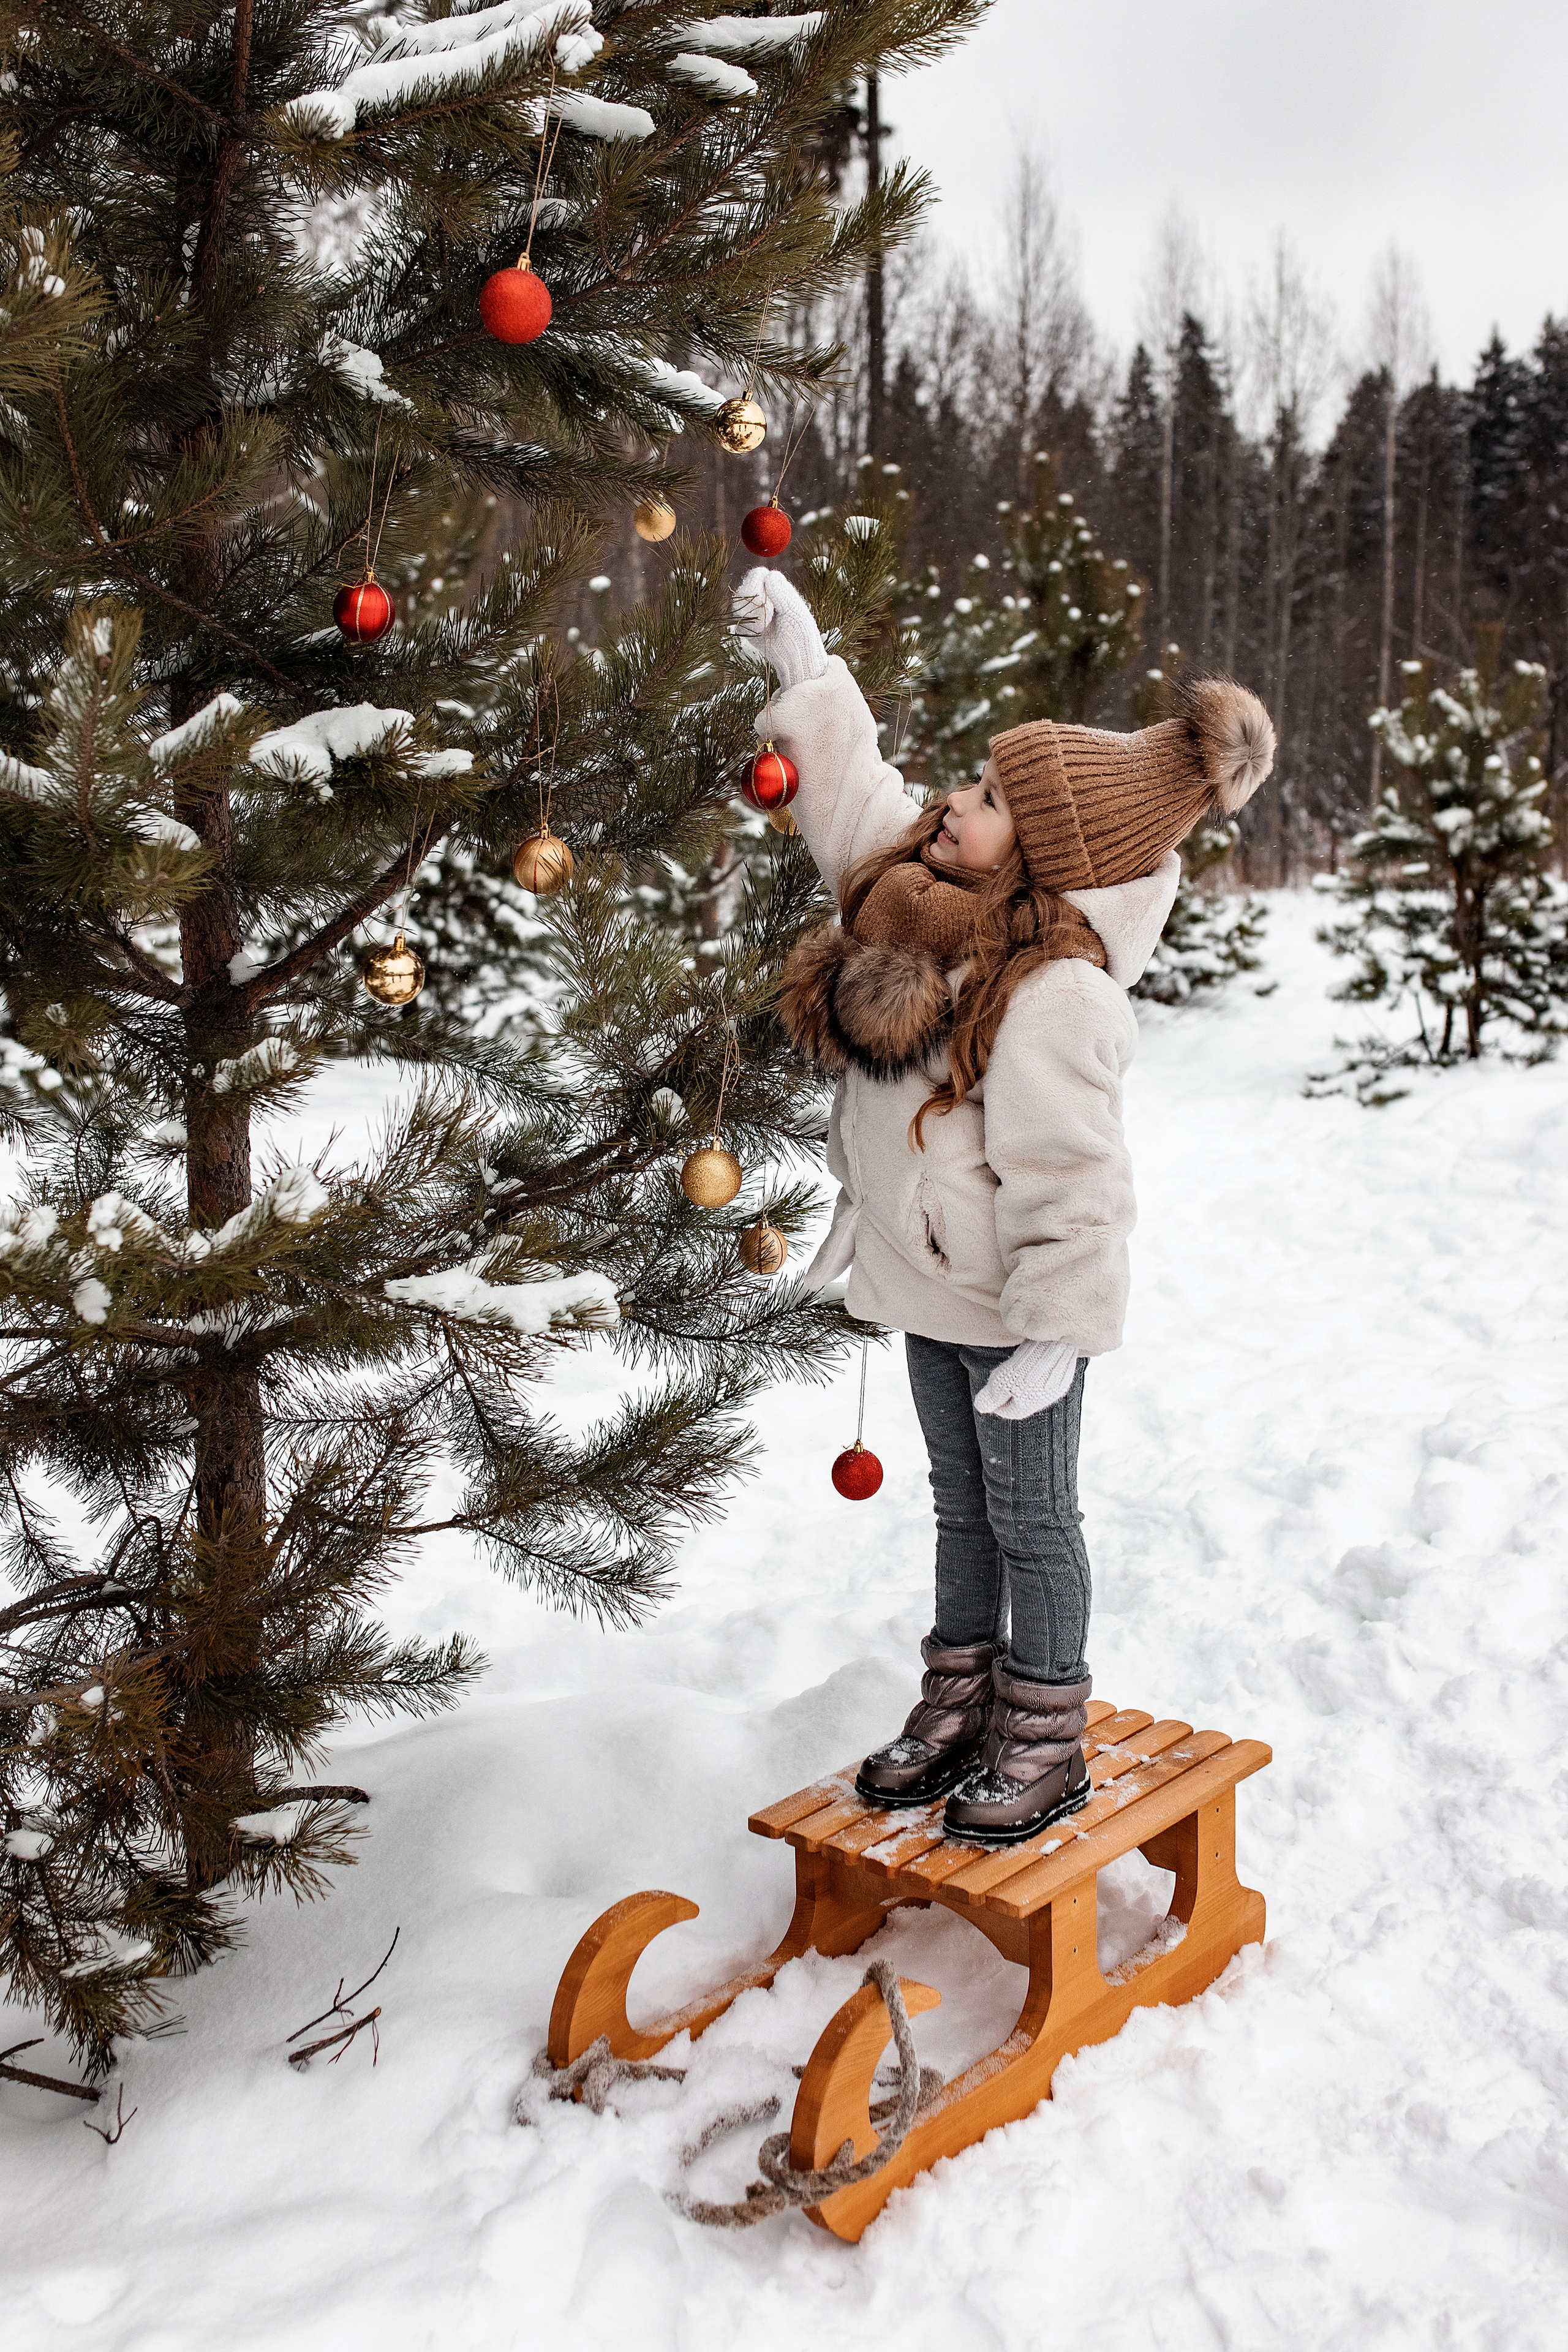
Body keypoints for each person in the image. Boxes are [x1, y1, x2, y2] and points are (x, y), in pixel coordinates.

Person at [734, 568, 1275, 1847]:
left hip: (1013, 1315)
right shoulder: (924, 901)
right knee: (958, 1508)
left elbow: (1076, 1180)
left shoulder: (1055, 993)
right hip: (929, 1288)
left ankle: (1041, 1728)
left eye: (983, 799)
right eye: (967, 783)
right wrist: (803, 670)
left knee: (1033, 1517)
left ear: (1037, 851)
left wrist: (1057, 1329)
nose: (950, 803)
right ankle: (958, 1695)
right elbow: (858, 797)